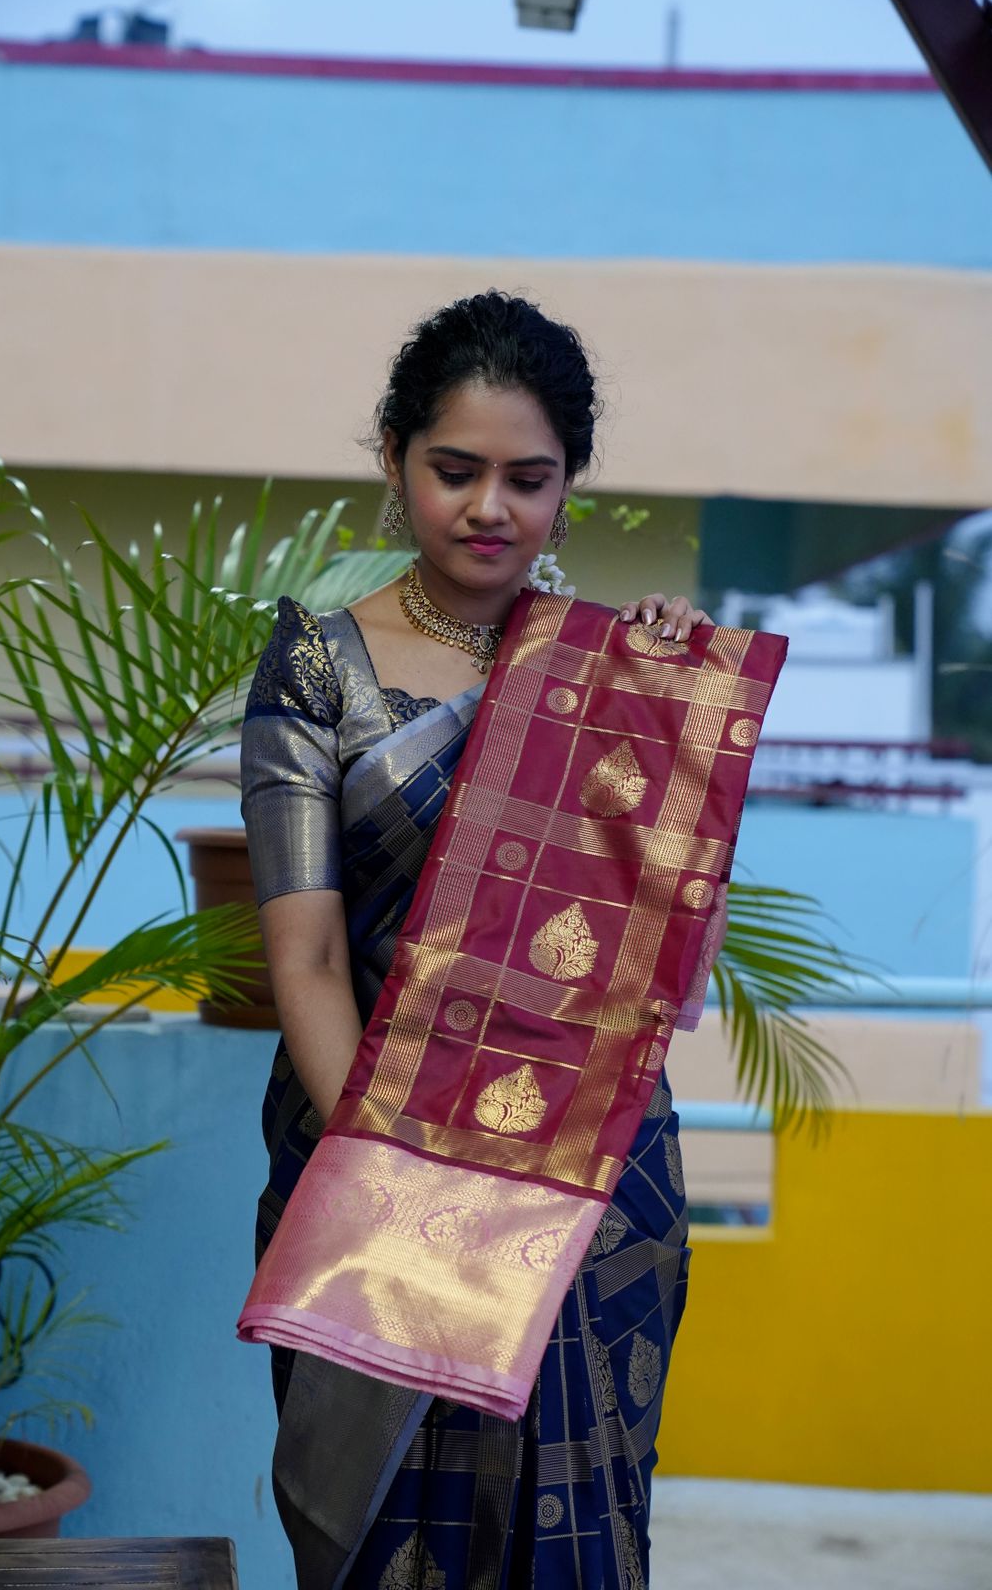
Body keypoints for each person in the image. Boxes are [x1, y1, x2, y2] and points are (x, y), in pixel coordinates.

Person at [242, 292, 713, 1590]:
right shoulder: (318, 671)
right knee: (389, 1535)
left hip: (586, 1183)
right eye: (454, 471)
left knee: (577, 1531)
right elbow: (307, 960)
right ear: (394, 459)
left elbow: (677, 965)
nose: (488, 508)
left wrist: (670, 725)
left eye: (527, 479)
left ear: (568, 484)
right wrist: (402, 1181)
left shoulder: (618, 676)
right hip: (369, 1163)